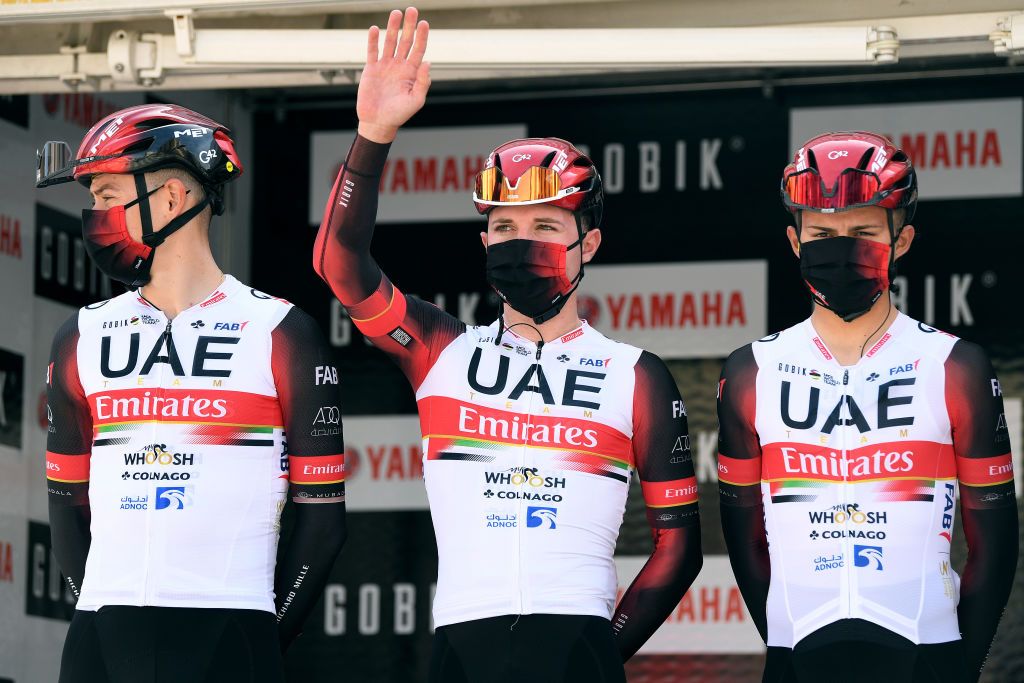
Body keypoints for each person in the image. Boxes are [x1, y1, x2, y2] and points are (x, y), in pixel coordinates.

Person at [313, 8, 702, 682]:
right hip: (462, 645)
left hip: (577, 640)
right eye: (505, 225)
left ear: (590, 244)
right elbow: (339, 264)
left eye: (547, 224)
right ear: (484, 241)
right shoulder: (439, 350)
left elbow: (679, 548)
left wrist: (598, 650)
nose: (523, 240)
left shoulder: (634, 375)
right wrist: (373, 134)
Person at [37, 103, 347, 682]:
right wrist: (97, 610)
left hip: (232, 632)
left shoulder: (281, 332)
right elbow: (65, 503)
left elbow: (323, 522)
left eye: (107, 196)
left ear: (174, 199)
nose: (94, 216)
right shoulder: (80, 334)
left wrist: (258, 634)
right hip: (100, 639)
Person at [717, 131, 1018, 683]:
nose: (841, 247)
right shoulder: (750, 371)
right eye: (824, 233)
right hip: (797, 656)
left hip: (925, 656)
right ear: (794, 241)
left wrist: (958, 669)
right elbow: (745, 543)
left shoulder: (955, 365)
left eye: (863, 232)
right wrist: (785, 645)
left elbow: (995, 548)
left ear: (900, 241)